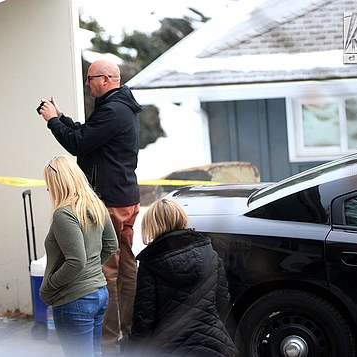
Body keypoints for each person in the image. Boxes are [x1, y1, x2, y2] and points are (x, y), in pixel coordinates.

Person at [37, 59, 142, 352]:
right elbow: (88, 134)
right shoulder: (120, 106)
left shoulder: (112, 110)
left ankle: (109, 342)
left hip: (109, 202)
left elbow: (78, 144)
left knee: (105, 271)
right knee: (125, 266)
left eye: (90, 78)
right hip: (126, 197)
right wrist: (61, 117)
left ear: (107, 79)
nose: (87, 83)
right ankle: (127, 333)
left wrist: (52, 121)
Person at [126, 198, 238, 357]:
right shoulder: (209, 253)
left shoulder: (151, 263)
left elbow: (144, 319)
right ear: (181, 218)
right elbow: (223, 302)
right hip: (215, 345)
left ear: (152, 225)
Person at [39, 155, 118, 357]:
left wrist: (50, 285)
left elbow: (76, 261)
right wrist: (92, 270)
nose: (48, 189)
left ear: (59, 183)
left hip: (75, 301)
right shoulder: (96, 205)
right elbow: (111, 245)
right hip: (99, 293)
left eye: (49, 183)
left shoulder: (64, 214)